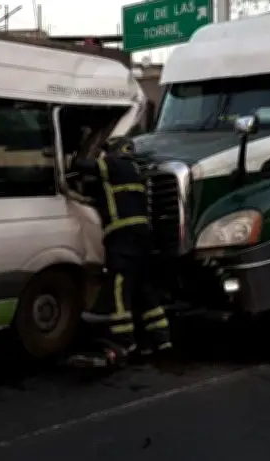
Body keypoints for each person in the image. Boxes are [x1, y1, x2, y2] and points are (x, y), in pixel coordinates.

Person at [66, 135, 173, 369]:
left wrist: (70, 158)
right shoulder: (135, 170)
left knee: (119, 288)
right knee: (145, 289)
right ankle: (161, 341)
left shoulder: (116, 164)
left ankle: (124, 341)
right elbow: (106, 197)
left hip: (123, 239)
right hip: (142, 238)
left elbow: (84, 166)